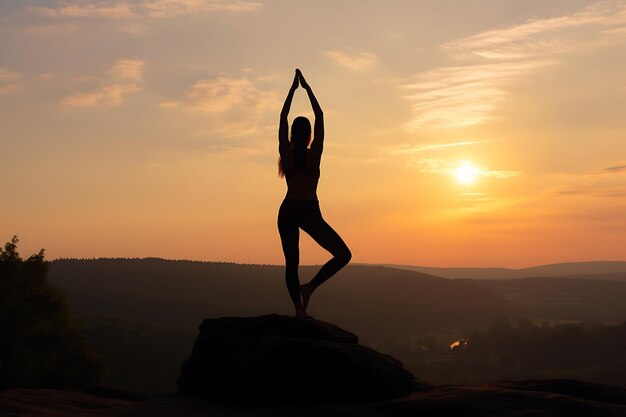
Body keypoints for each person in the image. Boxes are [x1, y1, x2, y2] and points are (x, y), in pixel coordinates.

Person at [277, 69, 351, 318]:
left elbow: (282, 116)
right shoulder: (314, 153)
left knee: (292, 263)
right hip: (308, 211)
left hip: (288, 210)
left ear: (292, 135)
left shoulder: (286, 154)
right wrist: (306, 88)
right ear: (308, 135)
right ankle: (309, 289)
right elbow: (319, 115)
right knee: (343, 255)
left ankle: (299, 307)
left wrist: (291, 91)